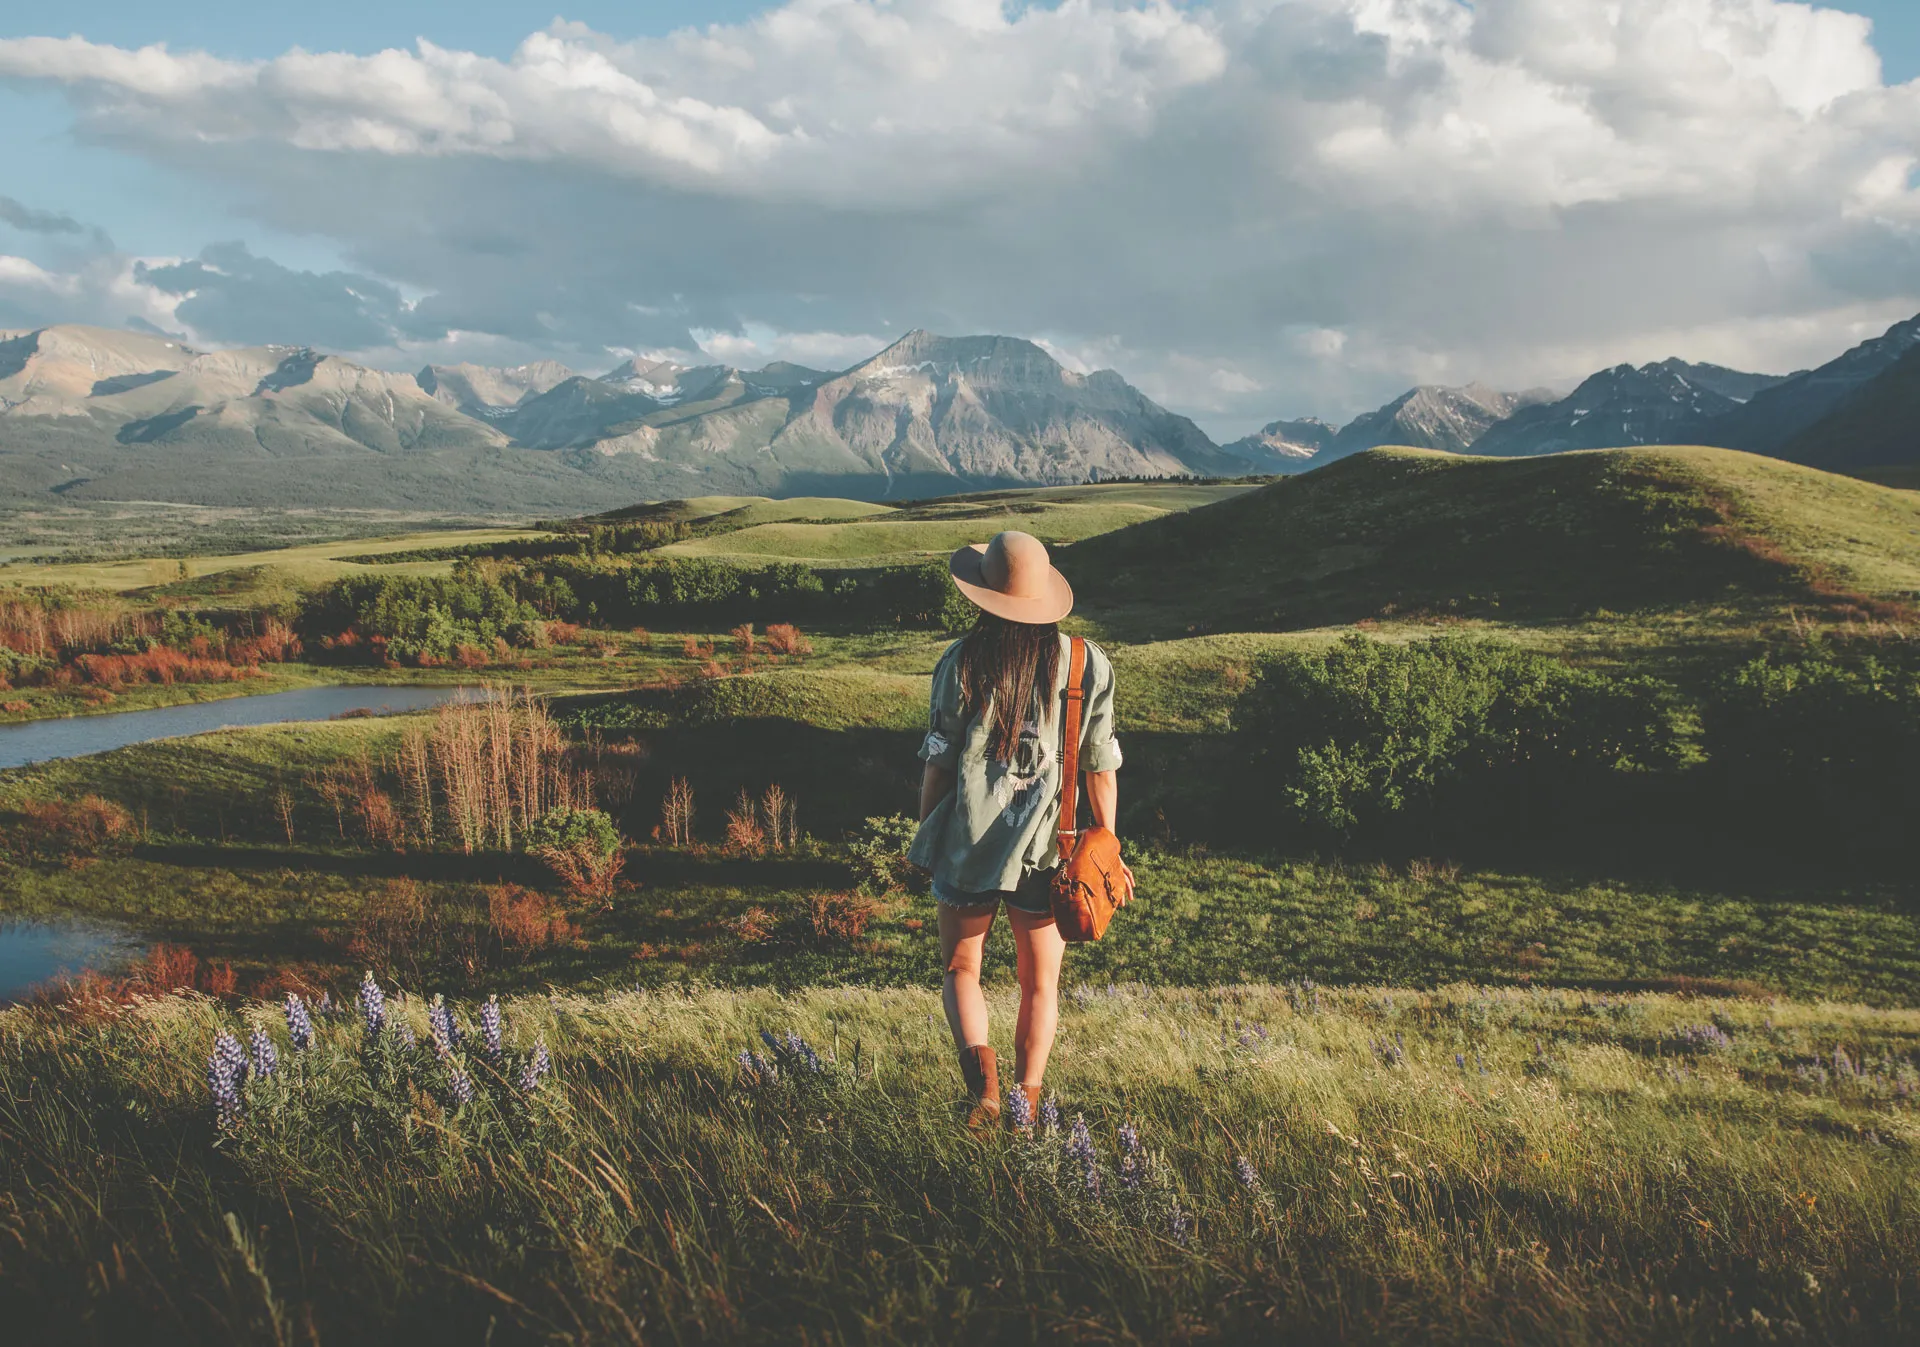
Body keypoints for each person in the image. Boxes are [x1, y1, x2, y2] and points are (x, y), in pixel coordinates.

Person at [909, 530, 1133, 1130]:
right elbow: (1100, 767)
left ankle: (982, 1093)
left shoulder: (960, 661)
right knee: (1041, 986)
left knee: (962, 970)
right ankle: (1024, 1106)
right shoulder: (1085, 663)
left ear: (982, 598)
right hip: (1049, 852)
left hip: (967, 845)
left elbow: (938, 760)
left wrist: (926, 832)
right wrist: (1105, 844)